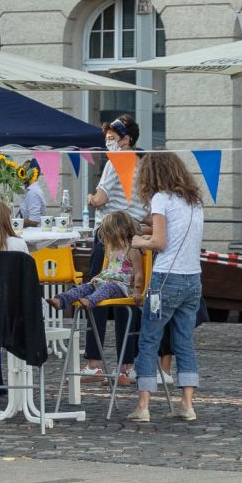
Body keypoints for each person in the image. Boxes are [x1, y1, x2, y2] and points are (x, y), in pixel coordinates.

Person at [128, 152, 206, 423]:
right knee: (184, 341)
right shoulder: (194, 200)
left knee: (149, 339)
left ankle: (143, 406)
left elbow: (160, 243)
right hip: (193, 279)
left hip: (165, 280)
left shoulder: (161, 198)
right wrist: (149, 234)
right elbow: (175, 234)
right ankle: (187, 405)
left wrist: (139, 241)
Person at [82, 114, 146, 368]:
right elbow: (147, 209)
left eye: (111, 138)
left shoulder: (115, 162)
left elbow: (100, 199)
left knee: (97, 293)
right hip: (133, 237)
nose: (107, 143)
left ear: (126, 139)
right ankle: (126, 366)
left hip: (108, 234)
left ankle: (94, 362)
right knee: (126, 299)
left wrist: (90, 198)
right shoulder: (144, 165)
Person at [47, 212, 142, 321]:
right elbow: (107, 269)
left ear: (119, 231)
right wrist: (98, 277)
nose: (106, 235)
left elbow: (139, 274)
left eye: (109, 232)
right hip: (107, 282)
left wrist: (137, 290)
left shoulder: (132, 250)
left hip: (122, 287)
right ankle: (61, 300)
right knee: (85, 287)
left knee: (108, 287)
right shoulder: (112, 249)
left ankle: (90, 301)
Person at [17, 161, 47, 227]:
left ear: (31, 174)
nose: (20, 174)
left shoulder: (33, 192)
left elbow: (34, 221)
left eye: (24, 171)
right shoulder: (29, 190)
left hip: (32, 231)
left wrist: (13, 222)